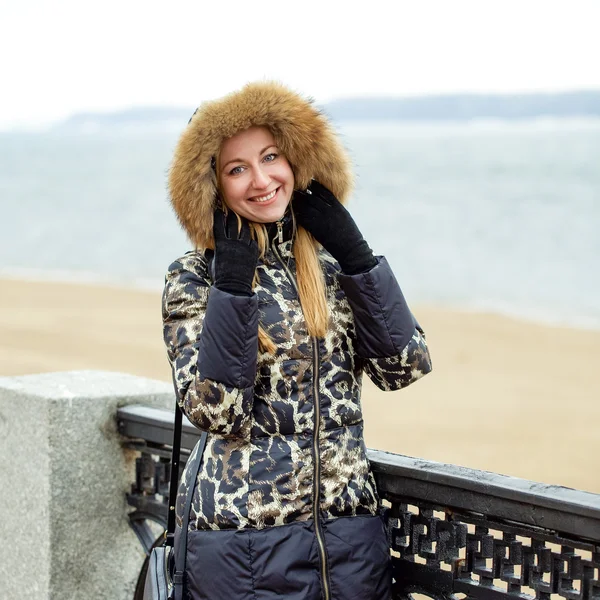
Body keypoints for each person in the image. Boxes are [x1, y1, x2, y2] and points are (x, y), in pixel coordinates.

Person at [162, 81, 432, 600]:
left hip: (349, 542)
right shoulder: (193, 279)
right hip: (242, 548)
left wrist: (356, 256)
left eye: (271, 157)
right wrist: (234, 285)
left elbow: (404, 366)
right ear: (212, 186)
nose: (261, 180)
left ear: (297, 161)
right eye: (237, 168)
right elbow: (217, 414)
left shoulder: (330, 269)